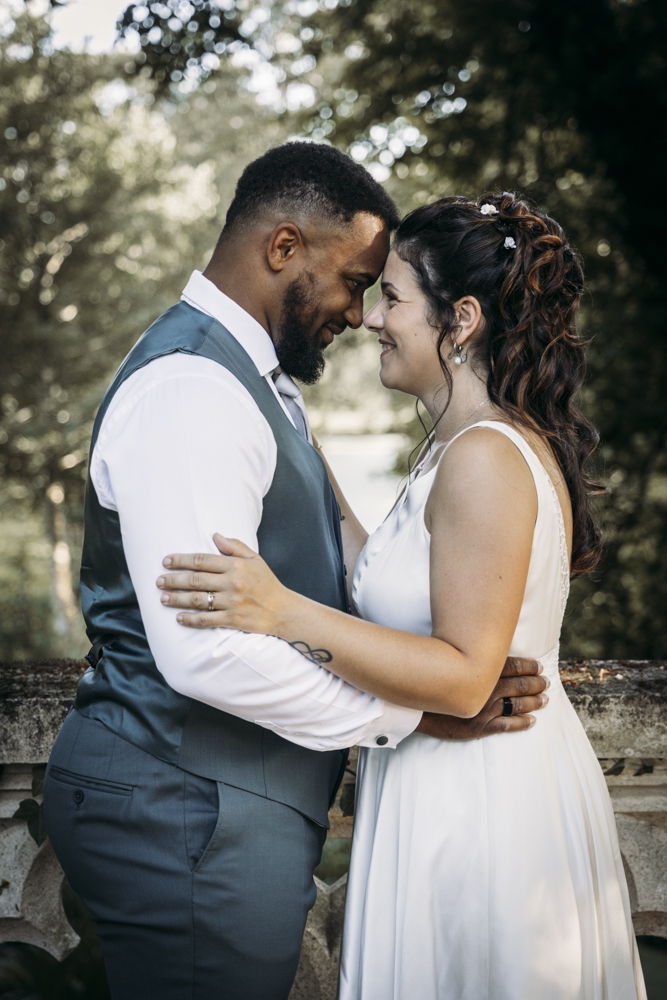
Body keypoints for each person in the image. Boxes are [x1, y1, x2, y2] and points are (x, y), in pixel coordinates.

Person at [42, 146, 546, 1000]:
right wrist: (411, 715)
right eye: (355, 281)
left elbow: (340, 561)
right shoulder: (194, 390)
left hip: (214, 810)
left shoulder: (253, 380)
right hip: (186, 817)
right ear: (283, 247)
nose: (357, 314)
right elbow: (207, 653)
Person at [158, 194, 646, 998]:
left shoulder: (484, 455)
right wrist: (294, 439)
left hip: (481, 801)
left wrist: (280, 610)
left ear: (458, 321)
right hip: (447, 780)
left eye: (391, 297)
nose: (370, 319)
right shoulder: (457, 445)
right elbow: (374, 572)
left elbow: (462, 678)